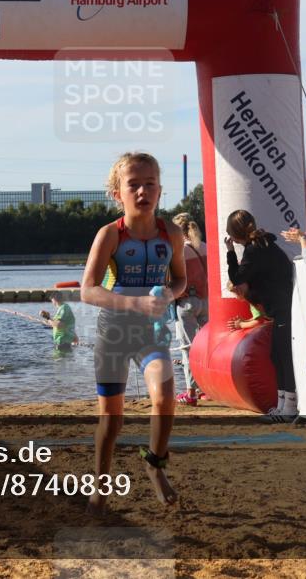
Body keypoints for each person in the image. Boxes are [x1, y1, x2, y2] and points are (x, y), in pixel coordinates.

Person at [80, 152, 186, 514]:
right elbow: (88, 290)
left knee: (165, 400)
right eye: (134, 185)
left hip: (150, 333)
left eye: (150, 184)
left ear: (160, 189)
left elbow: (181, 279)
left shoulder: (171, 233)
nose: (143, 191)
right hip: (114, 332)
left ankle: (154, 464)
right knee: (112, 421)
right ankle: (101, 485)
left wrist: (169, 294)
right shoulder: (110, 234)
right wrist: (134, 304)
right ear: (117, 194)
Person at [226, 210, 296, 420]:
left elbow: (237, 277)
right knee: (277, 355)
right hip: (281, 307)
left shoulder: (255, 249)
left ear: (235, 234)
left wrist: (230, 251)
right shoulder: (264, 244)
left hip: (283, 307)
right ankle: (283, 404)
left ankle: (290, 407)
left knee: (283, 357)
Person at [171, 212, 209, 406]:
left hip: (186, 303)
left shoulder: (178, 251)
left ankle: (191, 392)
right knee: (206, 347)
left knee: (188, 350)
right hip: (206, 301)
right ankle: (207, 389)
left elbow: (170, 280)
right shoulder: (205, 247)